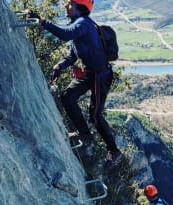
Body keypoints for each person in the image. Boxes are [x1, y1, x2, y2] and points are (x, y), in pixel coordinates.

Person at [26, 0, 122, 168]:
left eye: (69, 4)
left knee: (95, 115)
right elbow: (72, 56)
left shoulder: (83, 23)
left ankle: (114, 151)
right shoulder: (79, 25)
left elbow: (65, 34)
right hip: (90, 73)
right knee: (68, 97)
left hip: (101, 76)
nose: (65, 6)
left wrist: (42, 21)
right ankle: (85, 135)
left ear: (79, 7)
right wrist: (59, 66)